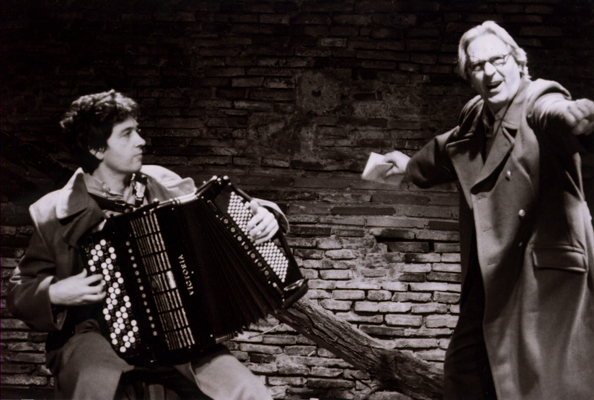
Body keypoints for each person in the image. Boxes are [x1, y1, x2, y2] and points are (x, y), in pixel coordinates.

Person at [7, 90, 283, 400]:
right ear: (97, 148)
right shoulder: (54, 211)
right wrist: (55, 292)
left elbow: (212, 208)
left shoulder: (161, 183)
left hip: (179, 333)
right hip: (93, 335)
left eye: (138, 130)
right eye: (127, 134)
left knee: (251, 393)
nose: (141, 140)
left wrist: (264, 213)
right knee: (94, 385)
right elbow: (19, 290)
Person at [382, 21, 594, 400]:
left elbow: (556, 111)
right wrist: (407, 166)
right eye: (478, 66)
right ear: (468, 75)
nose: (491, 73)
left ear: (517, 61)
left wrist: (579, 119)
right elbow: (450, 148)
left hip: (542, 277)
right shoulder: (477, 114)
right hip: (490, 273)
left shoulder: (539, 100)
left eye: (498, 60)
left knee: (543, 384)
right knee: (464, 373)